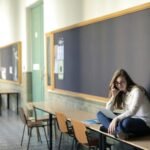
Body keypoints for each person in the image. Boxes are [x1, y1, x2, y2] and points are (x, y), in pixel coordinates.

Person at [97, 69, 150, 139]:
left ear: (127, 81)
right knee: (100, 114)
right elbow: (108, 111)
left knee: (125, 123)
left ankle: (110, 129)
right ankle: (117, 132)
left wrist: (116, 119)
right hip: (130, 119)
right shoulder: (122, 94)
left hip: (145, 123)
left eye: (122, 82)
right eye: (117, 83)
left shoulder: (137, 91)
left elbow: (132, 111)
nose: (119, 85)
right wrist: (113, 96)